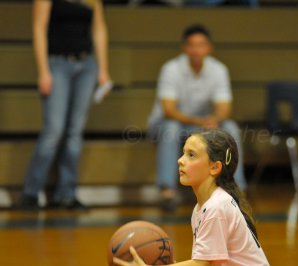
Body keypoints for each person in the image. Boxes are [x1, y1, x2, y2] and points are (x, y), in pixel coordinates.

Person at [114, 129, 270, 266]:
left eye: (191, 155)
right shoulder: (202, 207)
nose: (180, 160)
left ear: (215, 167)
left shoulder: (216, 207)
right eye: (183, 153)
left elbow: (202, 264)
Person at [18, 0, 111, 210]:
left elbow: (99, 29)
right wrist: (43, 71)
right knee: (54, 130)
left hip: (86, 65)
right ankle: (31, 193)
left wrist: (103, 69)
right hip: (57, 63)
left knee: (75, 132)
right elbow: (39, 28)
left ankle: (66, 194)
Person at [147, 24, 247, 211]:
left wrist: (214, 119)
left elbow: (225, 107)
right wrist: (201, 122)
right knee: (171, 128)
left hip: (202, 126)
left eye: (201, 45)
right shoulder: (171, 69)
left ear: (209, 47)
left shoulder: (219, 70)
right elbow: (169, 109)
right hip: (166, 124)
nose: (196, 50)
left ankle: (236, 188)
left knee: (230, 127)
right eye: (192, 45)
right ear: (185, 48)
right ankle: (167, 191)